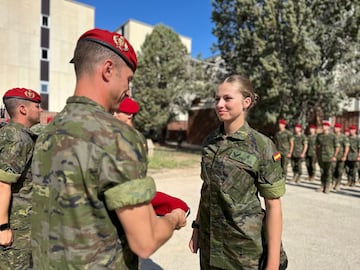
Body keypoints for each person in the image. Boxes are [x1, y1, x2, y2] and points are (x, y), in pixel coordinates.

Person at [30, 28, 187, 269]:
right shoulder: (117, 137)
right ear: (108, 69)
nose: (128, 89)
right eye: (128, 79)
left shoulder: (46, 133)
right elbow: (145, 242)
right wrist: (174, 217)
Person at [189, 74, 287, 270]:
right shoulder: (210, 142)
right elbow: (207, 189)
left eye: (227, 98)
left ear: (246, 102)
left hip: (243, 252)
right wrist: (197, 228)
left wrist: (273, 263)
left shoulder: (262, 146)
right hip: (210, 246)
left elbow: (274, 207)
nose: (219, 104)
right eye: (217, 99)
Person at [0, 88, 42, 269]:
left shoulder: (15, 134)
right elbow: (2, 184)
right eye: (37, 106)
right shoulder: (17, 138)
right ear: (23, 109)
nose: (40, 110)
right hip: (16, 227)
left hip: (21, 224)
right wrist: (2, 228)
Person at [315, 121, 339, 193]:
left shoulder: (333, 136)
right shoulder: (319, 136)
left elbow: (337, 147)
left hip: (329, 157)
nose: (324, 127)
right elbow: (317, 146)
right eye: (323, 126)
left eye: (326, 126)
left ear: (328, 127)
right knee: (322, 172)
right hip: (321, 157)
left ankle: (327, 186)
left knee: (328, 172)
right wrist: (317, 155)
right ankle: (322, 185)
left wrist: (334, 156)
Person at [332, 123, 349, 191]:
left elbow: (347, 147)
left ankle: (338, 184)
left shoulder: (343, 137)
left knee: (339, 171)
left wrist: (345, 155)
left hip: (341, 156)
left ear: (340, 129)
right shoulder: (332, 136)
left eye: (337, 128)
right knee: (333, 170)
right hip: (333, 156)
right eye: (335, 127)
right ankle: (333, 182)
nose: (336, 129)